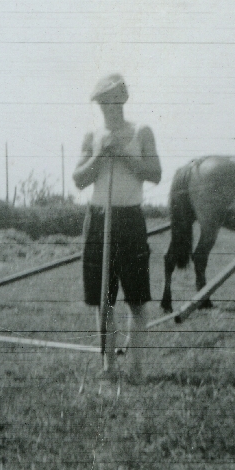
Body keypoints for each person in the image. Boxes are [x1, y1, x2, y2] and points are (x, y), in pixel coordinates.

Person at [72, 74, 162, 375]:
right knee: (103, 300)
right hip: (98, 219)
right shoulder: (93, 136)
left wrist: (121, 153)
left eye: (111, 100)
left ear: (123, 98)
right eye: (101, 102)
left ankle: (136, 366)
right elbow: (79, 179)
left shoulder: (141, 132)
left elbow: (155, 172)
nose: (106, 107)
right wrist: (101, 153)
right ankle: (108, 366)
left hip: (129, 219)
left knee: (136, 299)